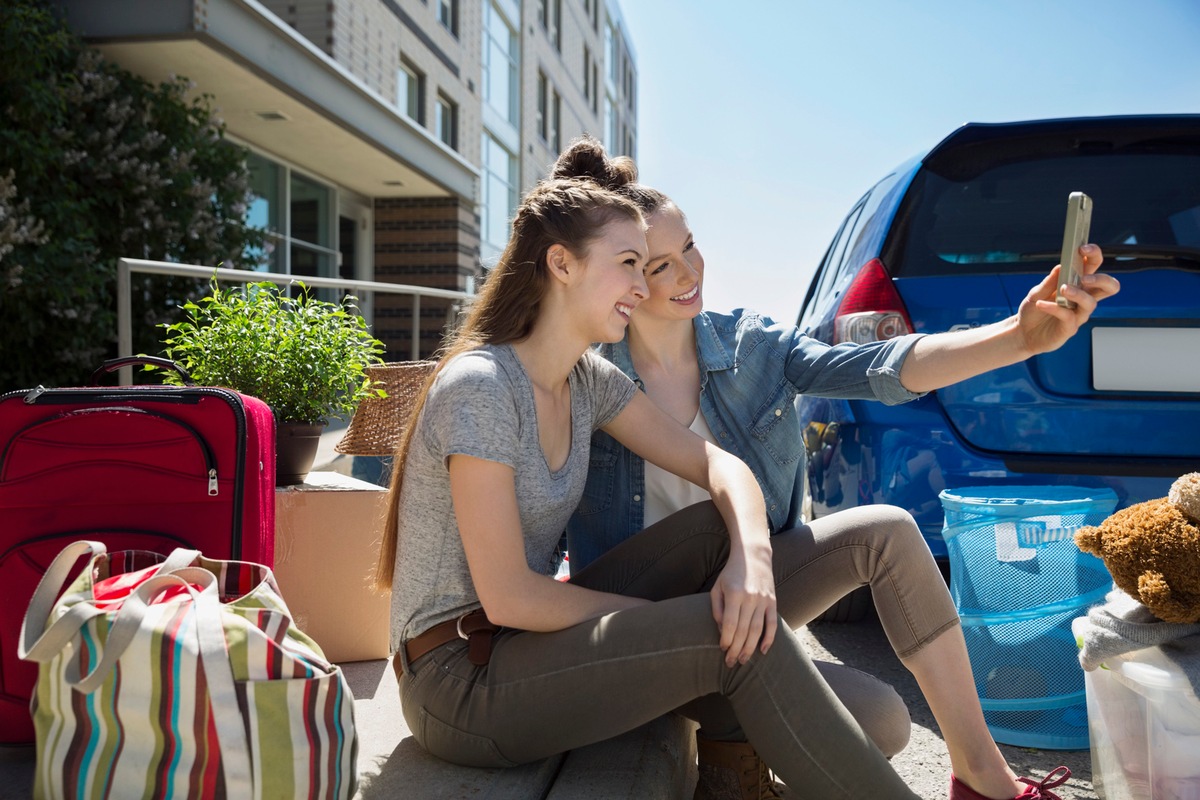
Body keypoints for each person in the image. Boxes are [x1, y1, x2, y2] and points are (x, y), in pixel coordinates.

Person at [558, 136, 1118, 800]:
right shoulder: (586, 373)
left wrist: (1017, 336)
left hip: (747, 610)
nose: (689, 273)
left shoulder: (752, 345)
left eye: (691, 247)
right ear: (619, 273)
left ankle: (983, 779)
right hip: (643, 625)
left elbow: (881, 367)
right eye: (658, 265)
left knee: (883, 693)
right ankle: (716, 740)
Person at [376, 175, 933, 799]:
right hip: (460, 680)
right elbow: (507, 598)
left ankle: (736, 759)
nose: (644, 287)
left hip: (524, 647)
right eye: (628, 265)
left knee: (707, 534)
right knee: (722, 642)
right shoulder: (482, 386)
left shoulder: (587, 380)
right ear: (561, 263)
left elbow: (722, 468)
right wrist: (667, 623)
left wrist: (749, 564)